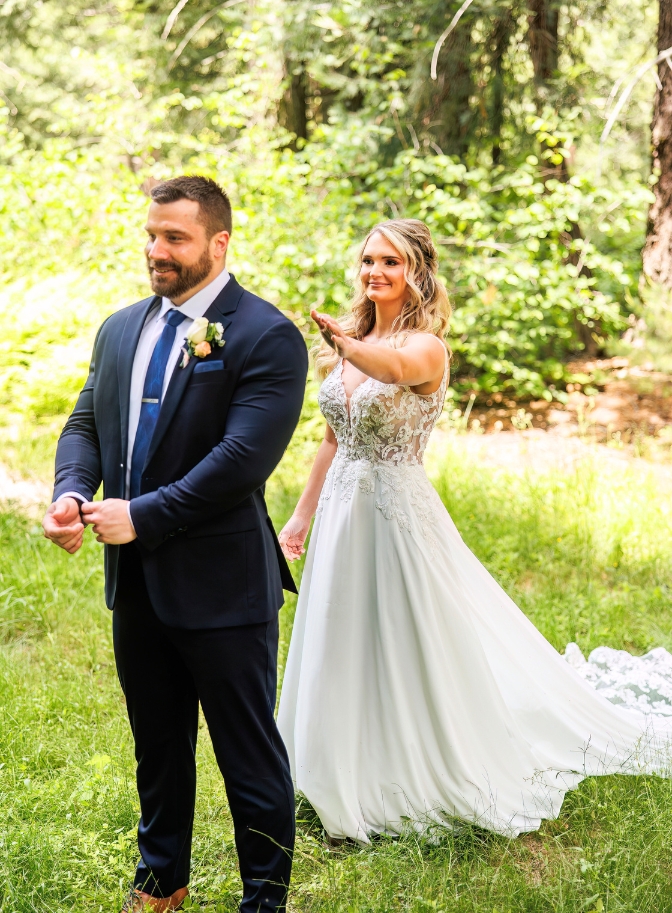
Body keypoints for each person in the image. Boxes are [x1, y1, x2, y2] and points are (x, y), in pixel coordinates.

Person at [276, 218, 672, 843]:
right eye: (368, 260)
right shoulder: (350, 342)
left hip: (394, 511)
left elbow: (393, 369)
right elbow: (332, 437)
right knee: (340, 629)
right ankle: (332, 762)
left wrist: (350, 348)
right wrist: (301, 516)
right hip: (342, 516)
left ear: (416, 273)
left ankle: (412, 764)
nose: (375, 271)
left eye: (391, 262)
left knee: (408, 634)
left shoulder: (426, 347)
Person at [42, 176, 307, 912]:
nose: (157, 250)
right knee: (158, 747)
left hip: (224, 585)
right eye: (152, 235)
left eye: (176, 238)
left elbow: (240, 462)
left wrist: (144, 515)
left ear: (219, 243)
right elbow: (87, 422)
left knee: (246, 754)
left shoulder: (265, 335)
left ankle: (264, 899)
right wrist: (72, 489)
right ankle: (161, 883)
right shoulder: (121, 327)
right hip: (138, 583)